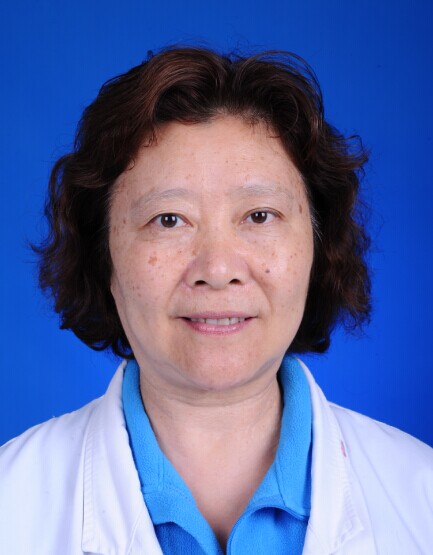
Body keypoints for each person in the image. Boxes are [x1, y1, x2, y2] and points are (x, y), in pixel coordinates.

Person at [0, 46, 432, 555]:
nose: (218, 268)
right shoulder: (12, 501)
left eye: (259, 216)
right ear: (104, 258)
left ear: (317, 247)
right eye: (168, 220)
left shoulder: (419, 495)